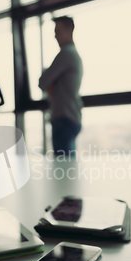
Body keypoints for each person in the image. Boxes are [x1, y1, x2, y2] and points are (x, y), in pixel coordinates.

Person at [39, 16, 83, 156]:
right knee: (68, 168)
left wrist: (52, 80)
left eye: (58, 31)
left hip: (64, 118)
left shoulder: (66, 54)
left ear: (69, 30)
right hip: (69, 116)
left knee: (63, 170)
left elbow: (42, 82)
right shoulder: (72, 54)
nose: (55, 36)